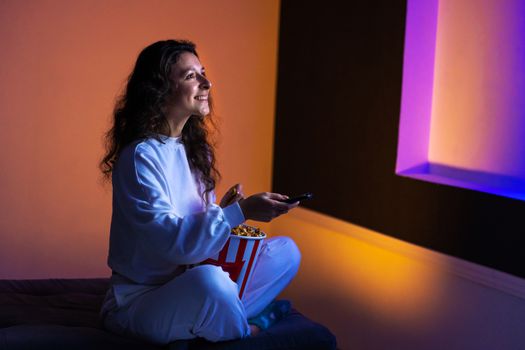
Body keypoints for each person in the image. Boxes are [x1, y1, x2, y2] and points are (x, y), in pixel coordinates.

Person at [98, 39, 301, 345]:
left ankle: (222, 316)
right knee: (211, 283)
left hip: (189, 279)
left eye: (202, 72)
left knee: (286, 252)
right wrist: (239, 213)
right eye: (190, 76)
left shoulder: (196, 151)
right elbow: (172, 244)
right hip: (140, 300)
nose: (207, 82)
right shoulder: (140, 156)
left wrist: (227, 212)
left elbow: (196, 243)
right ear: (159, 89)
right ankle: (250, 327)